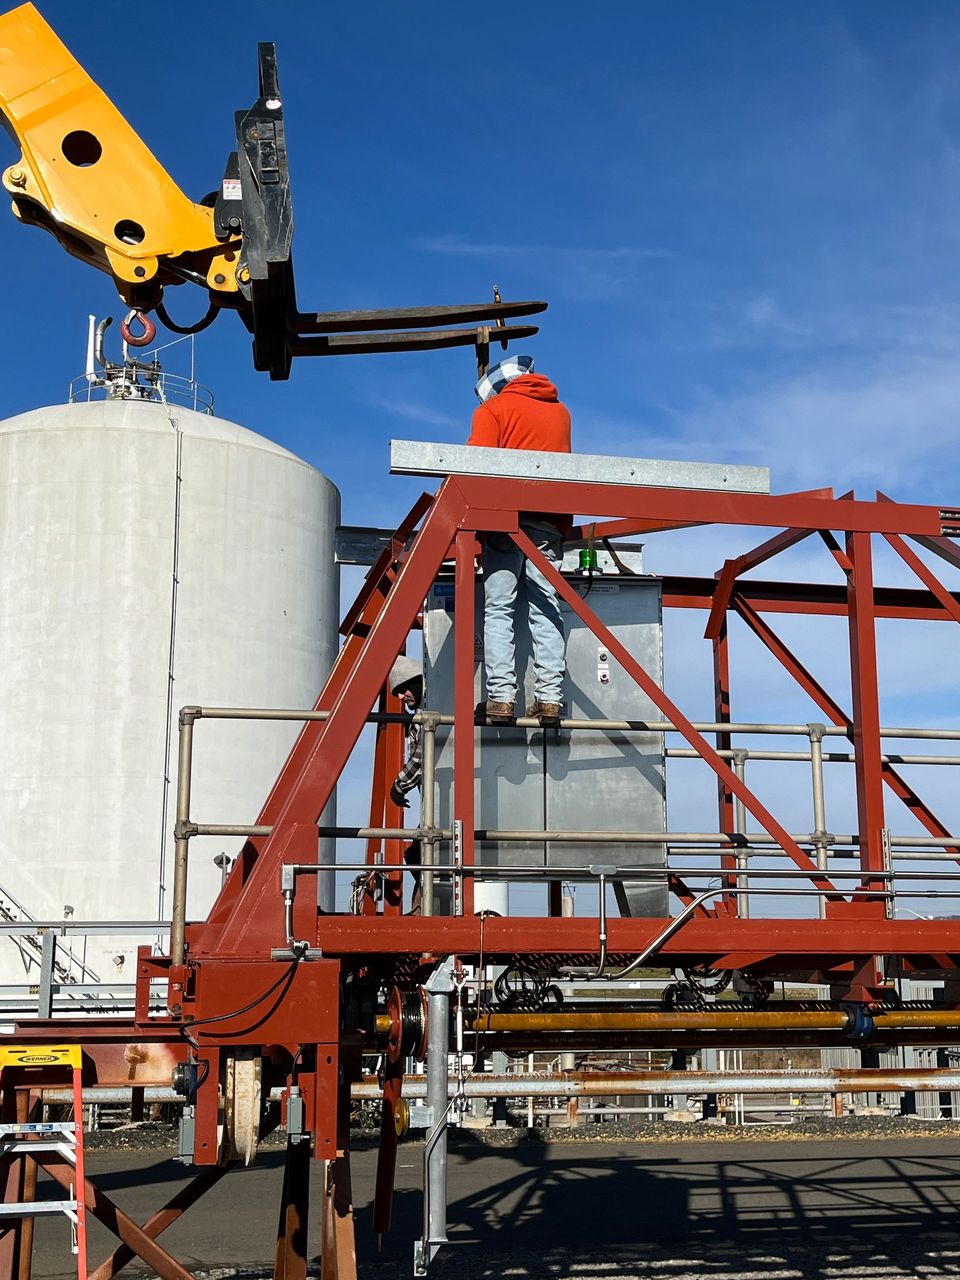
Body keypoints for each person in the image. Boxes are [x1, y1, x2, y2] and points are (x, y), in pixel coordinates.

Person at [468, 354, 571, 726]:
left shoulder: (492, 411)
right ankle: (550, 700)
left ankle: (500, 698)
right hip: (548, 525)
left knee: (499, 608)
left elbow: (475, 470)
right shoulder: (561, 412)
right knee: (546, 608)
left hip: (505, 522)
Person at [387, 656, 423, 913]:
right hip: (445, 799)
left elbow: (422, 757)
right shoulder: (427, 711)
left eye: (403, 689)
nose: (401, 697)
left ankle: (426, 909)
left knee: (420, 855)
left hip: (449, 802)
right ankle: (424, 907)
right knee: (419, 855)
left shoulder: (427, 715)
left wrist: (399, 785)